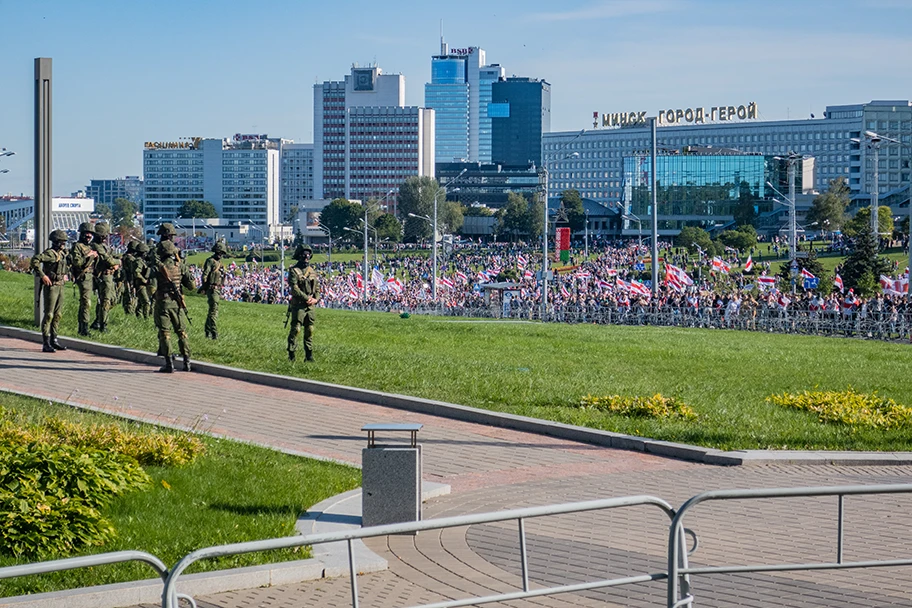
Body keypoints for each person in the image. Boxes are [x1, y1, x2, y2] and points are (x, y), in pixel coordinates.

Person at [153, 240, 195, 373]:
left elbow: (151, 288)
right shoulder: (180, 266)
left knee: (165, 334)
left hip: (163, 303)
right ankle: (187, 361)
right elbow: (191, 286)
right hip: (177, 304)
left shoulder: (157, 267)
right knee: (181, 332)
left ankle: (169, 363)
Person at [30, 230, 70, 352]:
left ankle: (54, 339)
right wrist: (43, 275)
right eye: (62, 242)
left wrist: (65, 274)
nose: (63, 244)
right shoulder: (50, 254)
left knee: (58, 314)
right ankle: (46, 342)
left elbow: (65, 266)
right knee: (49, 314)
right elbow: (35, 260)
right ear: (56, 242)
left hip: (60, 285)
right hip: (51, 286)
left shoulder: (62, 254)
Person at [287, 244, 321, 362]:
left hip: (310, 306)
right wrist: (307, 298)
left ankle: (309, 355)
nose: (306, 257)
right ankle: (292, 354)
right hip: (299, 305)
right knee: (296, 330)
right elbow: (294, 289)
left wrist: (315, 299)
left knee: (310, 330)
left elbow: (317, 289)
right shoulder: (293, 271)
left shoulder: (312, 271)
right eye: (304, 254)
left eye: (308, 254)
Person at [90, 222, 120, 333]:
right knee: (106, 301)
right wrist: (118, 262)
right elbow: (109, 260)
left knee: (111, 300)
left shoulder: (101, 246)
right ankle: (103, 324)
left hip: (108, 276)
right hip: (103, 276)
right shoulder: (96, 246)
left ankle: (98, 320)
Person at [68, 222, 98, 336]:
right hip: (84, 276)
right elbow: (77, 262)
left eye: (90, 234)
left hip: (92, 276)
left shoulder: (90, 246)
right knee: (86, 302)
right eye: (86, 234)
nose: (88, 236)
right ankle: (83, 328)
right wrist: (89, 255)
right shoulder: (77, 246)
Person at [200, 241, 228, 339]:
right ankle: (214, 333)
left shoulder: (219, 263)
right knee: (213, 310)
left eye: (221, 253)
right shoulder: (210, 261)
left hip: (217, 289)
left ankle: (207, 331)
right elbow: (205, 274)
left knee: (213, 310)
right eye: (218, 253)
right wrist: (204, 286)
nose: (220, 255)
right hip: (211, 289)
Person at [133, 241, 153, 319]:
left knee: (141, 303)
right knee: (146, 302)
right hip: (141, 284)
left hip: (142, 284)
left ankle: (139, 316)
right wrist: (144, 280)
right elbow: (136, 273)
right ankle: (146, 318)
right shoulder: (139, 261)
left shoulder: (142, 261)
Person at [120, 240, 137, 315]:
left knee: (126, 295)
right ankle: (130, 312)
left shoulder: (124, 256)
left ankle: (127, 310)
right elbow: (132, 270)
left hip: (125, 278)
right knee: (130, 296)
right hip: (129, 279)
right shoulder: (130, 258)